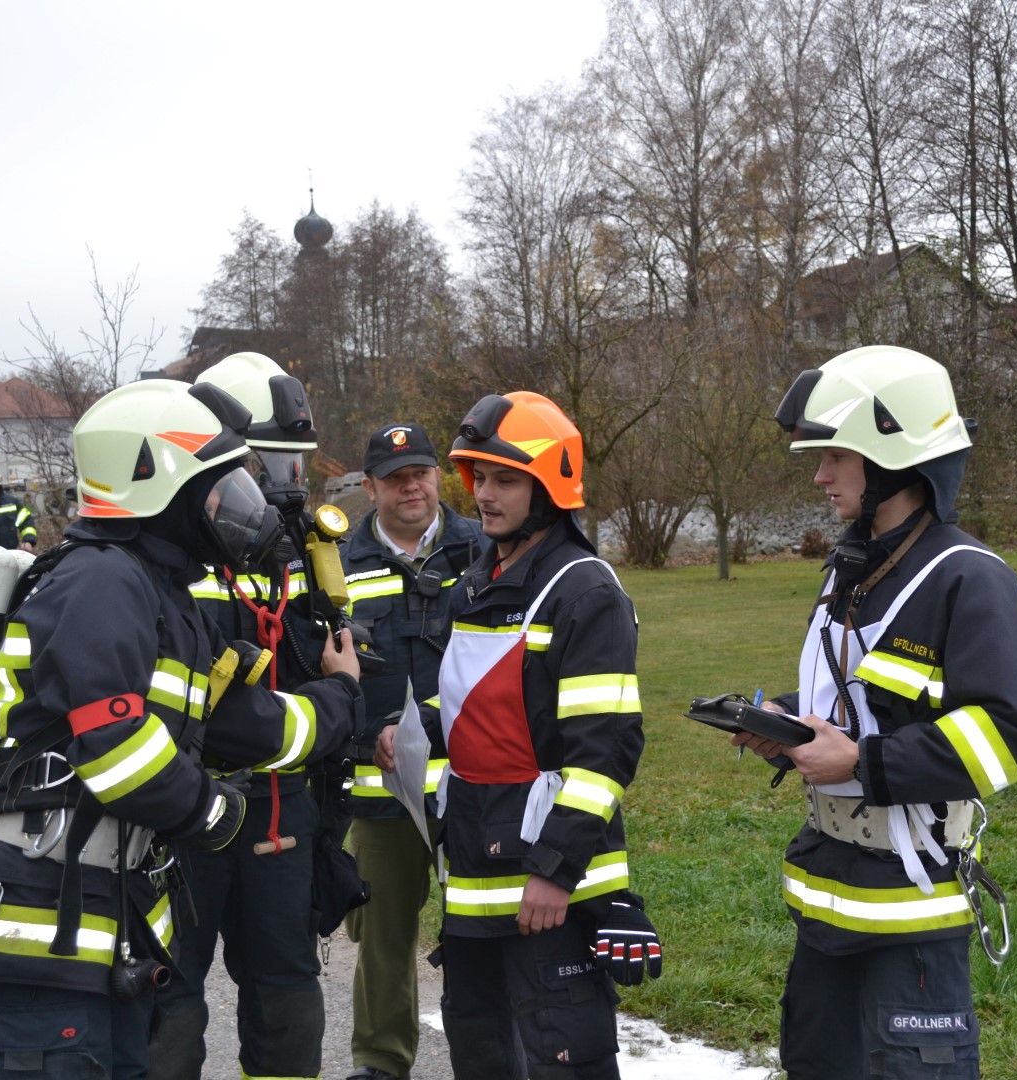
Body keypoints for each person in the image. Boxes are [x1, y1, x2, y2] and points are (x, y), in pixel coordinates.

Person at [0, 377, 363, 1079]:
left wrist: (339, 697)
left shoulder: (157, 595)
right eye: (215, 489)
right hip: (48, 927)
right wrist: (215, 813)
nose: (231, 506)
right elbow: (118, 752)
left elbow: (237, 724)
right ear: (160, 485)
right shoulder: (101, 582)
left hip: (98, 918)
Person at [736, 345, 1017, 1079]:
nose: (820, 476)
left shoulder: (967, 577)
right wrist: (786, 721)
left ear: (892, 458)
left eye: (835, 456)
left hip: (911, 914)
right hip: (829, 900)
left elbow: (1010, 735)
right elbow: (863, 698)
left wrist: (862, 762)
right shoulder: (855, 569)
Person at [379, 391, 655, 1080]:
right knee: (482, 1058)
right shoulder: (477, 584)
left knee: (563, 1062)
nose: (483, 494)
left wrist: (555, 872)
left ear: (550, 487)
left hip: (550, 896)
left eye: (505, 479)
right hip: (475, 888)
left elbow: (605, 751)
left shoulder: (584, 592)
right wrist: (414, 732)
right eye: (479, 477)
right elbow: (475, 706)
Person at [147, 351, 342, 1080]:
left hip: (280, 809)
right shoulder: (168, 565)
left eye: (296, 466)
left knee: (286, 986)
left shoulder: (310, 557)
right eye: (269, 466)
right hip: (182, 804)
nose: (286, 488)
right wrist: (338, 700)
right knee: (167, 991)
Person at [340, 421, 486, 1080]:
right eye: (394, 478)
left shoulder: (483, 549)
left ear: (438, 477)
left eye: (421, 474)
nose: (411, 487)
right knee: (382, 935)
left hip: (473, 785)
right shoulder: (336, 566)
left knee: (482, 933)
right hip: (381, 794)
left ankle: (490, 1059)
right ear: (370, 488)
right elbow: (323, 673)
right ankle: (380, 1061)